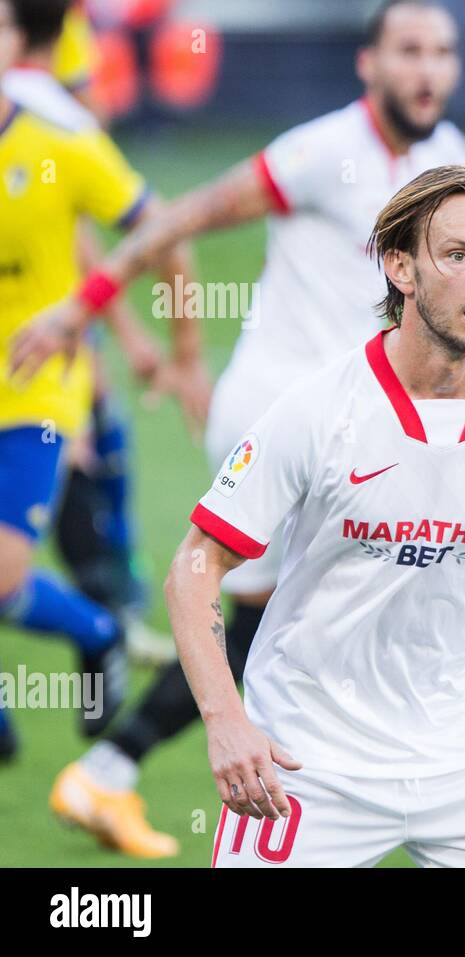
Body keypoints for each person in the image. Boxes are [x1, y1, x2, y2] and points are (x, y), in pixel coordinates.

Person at [16, 0, 465, 862]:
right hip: (288, 412)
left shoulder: (446, 160)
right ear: (367, 63)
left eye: (443, 52)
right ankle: (152, 768)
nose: (429, 69)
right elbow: (176, 218)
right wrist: (93, 308)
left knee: (345, 602)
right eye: (409, 50)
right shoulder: (318, 151)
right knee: (291, 617)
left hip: (396, 422)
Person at [168, 164, 465, 867]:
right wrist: (226, 722)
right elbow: (196, 565)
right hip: (311, 757)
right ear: (400, 266)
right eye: (460, 255)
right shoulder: (316, 412)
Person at [0, 0, 196, 757]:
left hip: (34, 389)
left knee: (6, 576)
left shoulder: (62, 145)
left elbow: (162, 230)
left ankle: (101, 628)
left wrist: (171, 343)